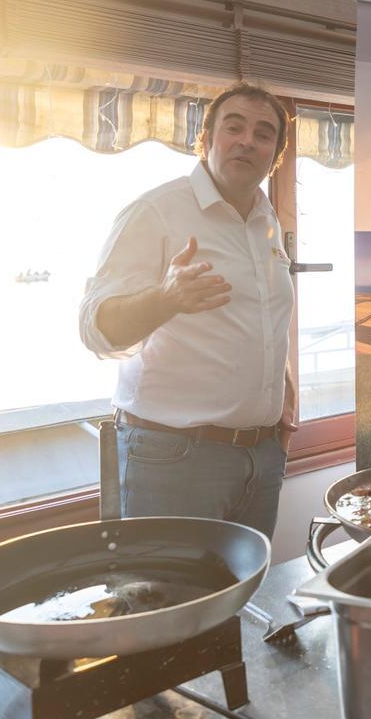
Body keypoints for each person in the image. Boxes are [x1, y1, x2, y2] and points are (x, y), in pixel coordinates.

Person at [80, 82, 297, 538]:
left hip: (261, 456)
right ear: (206, 139)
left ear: (275, 153)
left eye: (264, 133)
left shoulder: (265, 219)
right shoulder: (156, 212)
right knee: (167, 601)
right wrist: (166, 299)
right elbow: (95, 329)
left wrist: (282, 394)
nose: (246, 140)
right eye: (233, 127)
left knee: (243, 598)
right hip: (173, 458)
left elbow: (261, 321)